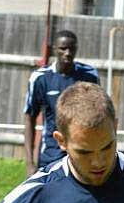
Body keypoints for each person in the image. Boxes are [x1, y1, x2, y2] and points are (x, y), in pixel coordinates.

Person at [23, 30, 99, 176]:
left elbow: (97, 114)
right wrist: (29, 162)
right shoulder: (40, 78)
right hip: (50, 153)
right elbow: (29, 117)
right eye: (63, 48)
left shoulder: (89, 75)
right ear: (54, 49)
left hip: (81, 151)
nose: (67, 53)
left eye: (71, 48)